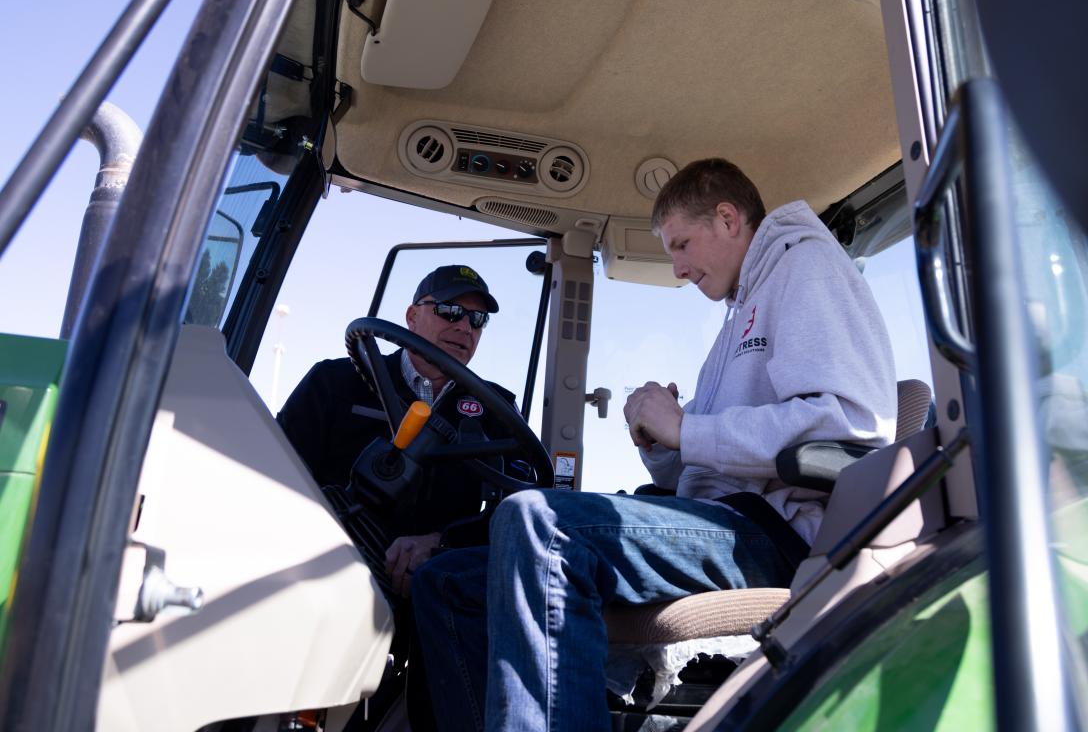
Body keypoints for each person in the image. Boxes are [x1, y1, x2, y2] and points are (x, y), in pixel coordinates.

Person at [410, 158, 898, 731]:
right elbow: (713, 459)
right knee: (446, 580)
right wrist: (662, 444)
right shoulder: (742, 310)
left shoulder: (805, 266)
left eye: (682, 245)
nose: (679, 268)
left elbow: (847, 421)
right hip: (724, 518)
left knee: (541, 523)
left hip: (777, 531)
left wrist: (686, 428)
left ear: (727, 218)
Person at [277, 264, 518, 598]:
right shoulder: (334, 383)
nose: (465, 327)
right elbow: (277, 478)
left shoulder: (497, 410)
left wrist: (443, 543)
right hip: (328, 574)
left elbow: (517, 510)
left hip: (441, 586)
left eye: (478, 320)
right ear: (411, 316)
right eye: (450, 311)